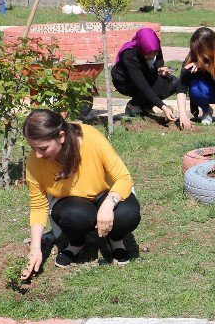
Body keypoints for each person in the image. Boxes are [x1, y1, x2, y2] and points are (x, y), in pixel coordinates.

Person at [22, 109, 141, 277]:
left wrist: (108, 205)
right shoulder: (35, 162)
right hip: (71, 203)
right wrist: (35, 249)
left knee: (127, 214)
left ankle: (116, 239)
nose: (38, 155)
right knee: (75, 217)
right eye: (33, 148)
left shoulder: (91, 138)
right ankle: (76, 243)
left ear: (61, 136)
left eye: (43, 148)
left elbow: (124, 178)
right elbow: (38, 206)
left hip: (104, 193)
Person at [112, 27, 177, 122]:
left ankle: (146, 106)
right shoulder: (129, 55)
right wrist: (164, 107)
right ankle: (133, 105)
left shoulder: (154, 44)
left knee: (174, 83)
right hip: (125, 82)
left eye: (154, 52)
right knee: (150, 85)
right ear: (141, 48)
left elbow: (159, 58)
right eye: (149, 53)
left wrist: (159, 67)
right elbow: (143, 86)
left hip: (146, 75)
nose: (152, 56)